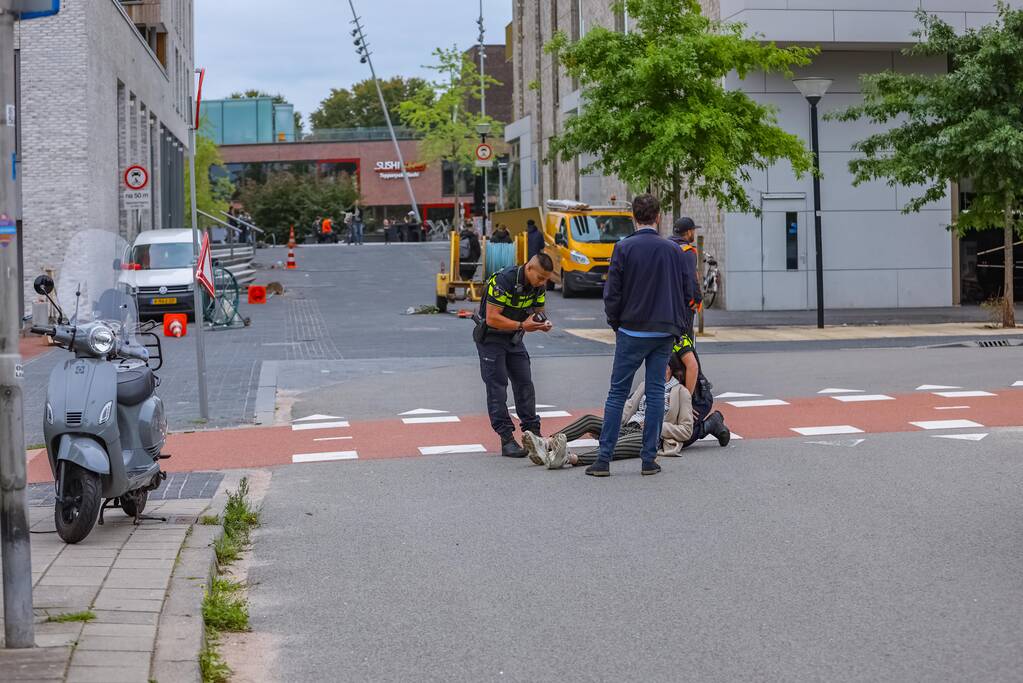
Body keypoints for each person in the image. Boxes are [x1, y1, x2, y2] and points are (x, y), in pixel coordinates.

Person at [590, 193, 687, 478]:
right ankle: (648, 459)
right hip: (663, 330)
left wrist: (615, 322)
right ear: (658, 217)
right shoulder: (672, 250)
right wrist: (677, 325)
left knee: (617, 392)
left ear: (634, 217)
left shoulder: (623, 248)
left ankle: (603, 460)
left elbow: (613, 292)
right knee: (656, 391)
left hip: (632, 329)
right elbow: (684, 290)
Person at [524, 354, 693, 468]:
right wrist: (608, 426)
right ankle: (545, 444)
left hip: (648, 436)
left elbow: (686, 430)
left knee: (612, 447)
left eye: (662, 365)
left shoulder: (680, 392)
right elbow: (627, 410)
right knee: (590, 419)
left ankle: (568, 458)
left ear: (671, 368)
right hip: (628, 427)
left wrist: (656, 426)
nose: (656, 368)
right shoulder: (644, 385)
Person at [474, 253, 556, 458]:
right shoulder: (503, 280)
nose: (543, 282)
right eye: (540, 277)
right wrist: (523, 325)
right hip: (491, 338)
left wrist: (542, 323)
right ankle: (506, 439)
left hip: (514, 338)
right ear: (529, 269)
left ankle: (533, 434)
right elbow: (492, 318)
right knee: (498, 387)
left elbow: (538, 312)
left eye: (546, 279)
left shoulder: (539, 285)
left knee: (525, 383)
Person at [672, 343, 730, 449]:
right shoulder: (655, 338)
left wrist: (685, 404)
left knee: (677, 438)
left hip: (697, 399)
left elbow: (692, 367)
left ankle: (710, 425)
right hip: (673, 399)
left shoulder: (679, 340)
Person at [670, 216, 703, 394]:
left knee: (670, 345)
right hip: (683, 308)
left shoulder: (666, 247)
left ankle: (671, 379)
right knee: (686, 344)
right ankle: (690, 387)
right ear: (688, 232)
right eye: (693, 230)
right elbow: (691, 279)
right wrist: (695, 301)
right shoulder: (688, 251)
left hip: (667, 307)